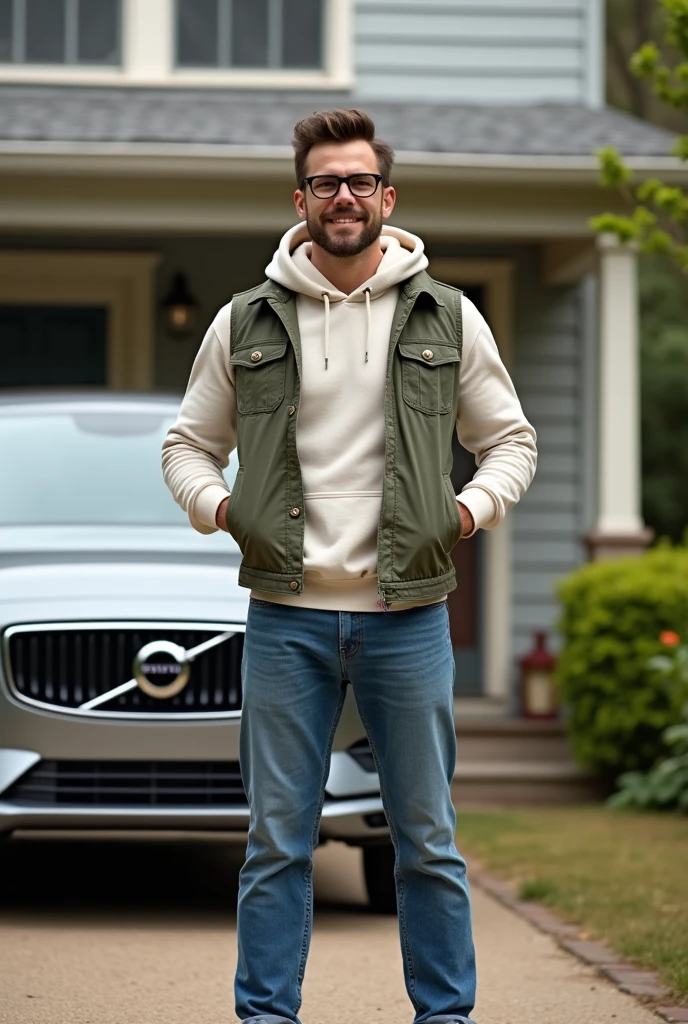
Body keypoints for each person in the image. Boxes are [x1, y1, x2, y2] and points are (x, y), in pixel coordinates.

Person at [162, 108, 537, 1024]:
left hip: (407, 618)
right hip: (285, 618)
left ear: (386, 197)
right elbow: (186, 444)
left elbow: (510, 442)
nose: (344, 197)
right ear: (301, 199)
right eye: (327, 182)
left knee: (428, 844)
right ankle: (267, 1017)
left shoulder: (447, 314)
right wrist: (226, 512)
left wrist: (460, 513)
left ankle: (444, 1017)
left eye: (360, 181)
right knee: (276, 846)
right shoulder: (244, 319)